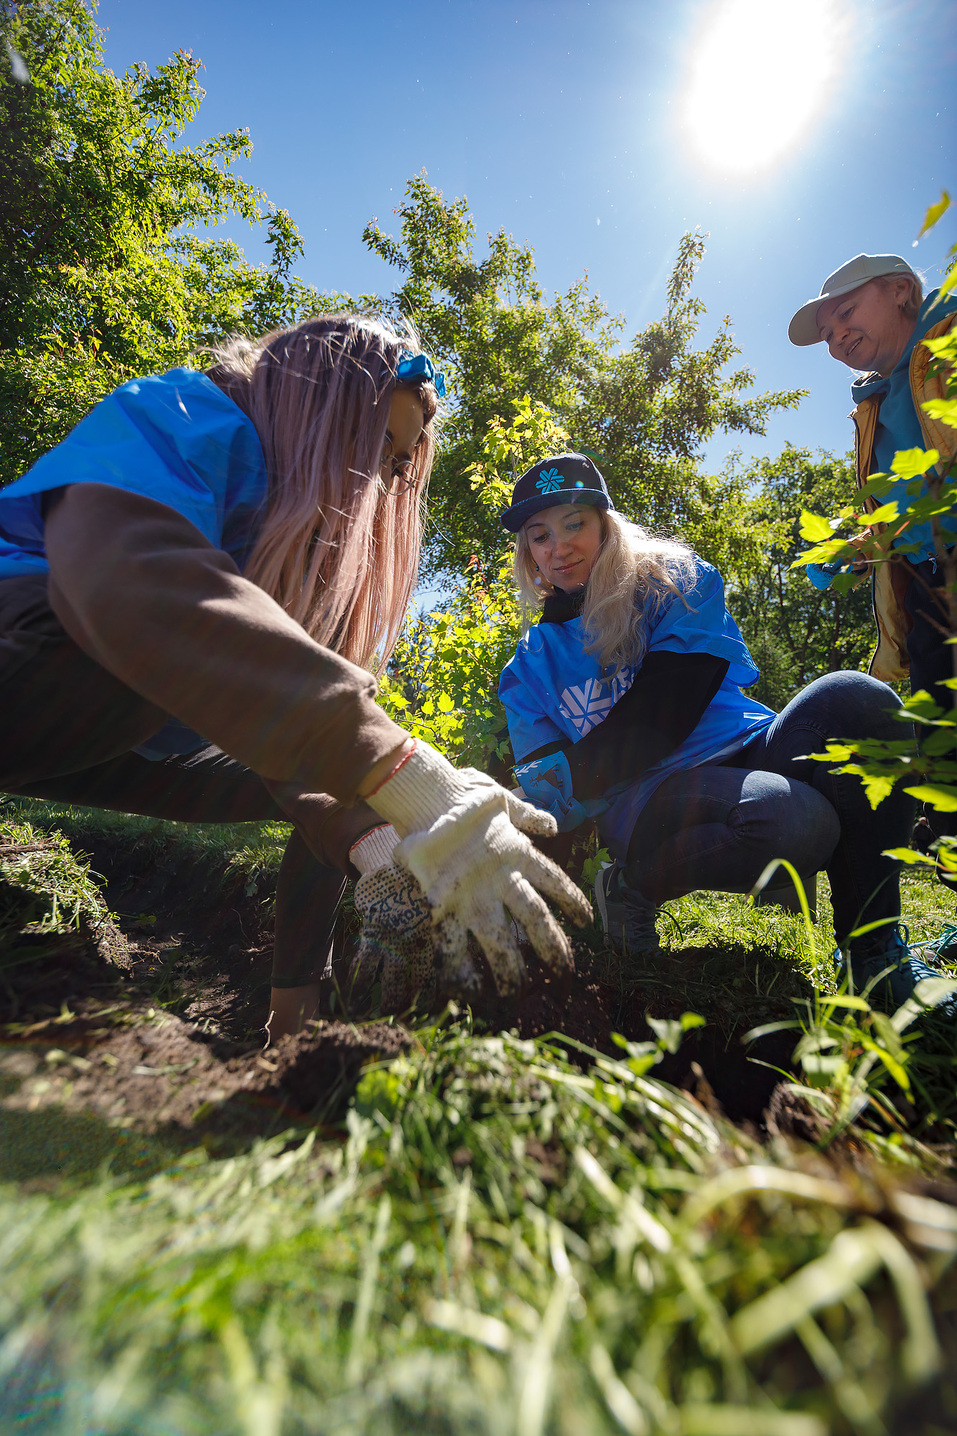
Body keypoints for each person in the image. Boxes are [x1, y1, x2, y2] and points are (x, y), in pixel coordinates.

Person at [0, 317, 589, 1040]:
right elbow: (124, 586)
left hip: (121, 738)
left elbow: (295, 734)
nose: (377, 479)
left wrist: (378, 841)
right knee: (316, 740)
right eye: (376, 441)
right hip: (38, 663)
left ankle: (293, 1022)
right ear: (319, 401)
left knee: (346, 785)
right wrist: (401, 767)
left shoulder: (295, 543)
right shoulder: (185, 413)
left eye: (395, 463)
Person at [497, 452, 952, 1013]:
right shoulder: (526, 669)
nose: (559, 547)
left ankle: (874, 955)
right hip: (647, 801)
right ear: (527, 552)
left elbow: (667, 708)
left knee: (859, 698)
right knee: (792, 818)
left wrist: (567, 775)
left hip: (752, 747)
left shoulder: (673, 581)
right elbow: (546, 799)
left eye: (574, 524)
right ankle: (630, 887)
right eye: (540, 535)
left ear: (605, 525)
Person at [789, 253, 957, 948]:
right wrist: (857, 545)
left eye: (846, 315)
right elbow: (898, 507)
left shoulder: (948, 343)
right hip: (928, 590)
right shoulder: (874, 402)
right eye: (827, 334)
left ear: (901, 292)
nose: (836, 338)